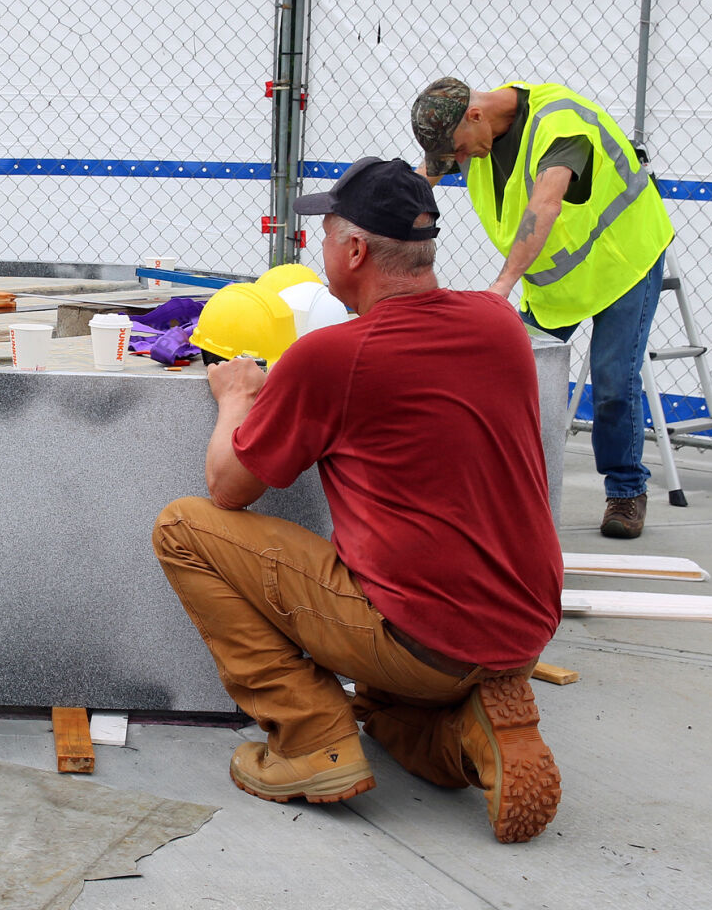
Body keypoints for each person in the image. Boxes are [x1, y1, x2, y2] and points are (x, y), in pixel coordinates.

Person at [152, 157, 564, 843]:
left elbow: (228, 487)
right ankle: (471, 728)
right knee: (383, 713)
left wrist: (235, 398)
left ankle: (311, 738)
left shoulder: (333, 358)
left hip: (420, 638)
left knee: (182, 529)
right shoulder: (496, 324)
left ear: (352, 251)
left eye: (323, 236)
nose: (315, 251)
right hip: (522, 628)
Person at [411, 78, 674, 540]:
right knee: (509, 377)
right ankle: (496, 491)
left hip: (621, 263)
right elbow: (419, 183)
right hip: (557, 281)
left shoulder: (559, 124)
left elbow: (545, 204)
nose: (462, 160)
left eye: (461, 149)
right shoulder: (467, 132)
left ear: (474, 116)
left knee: (613, 381)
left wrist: (501, 288)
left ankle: (626, 490)